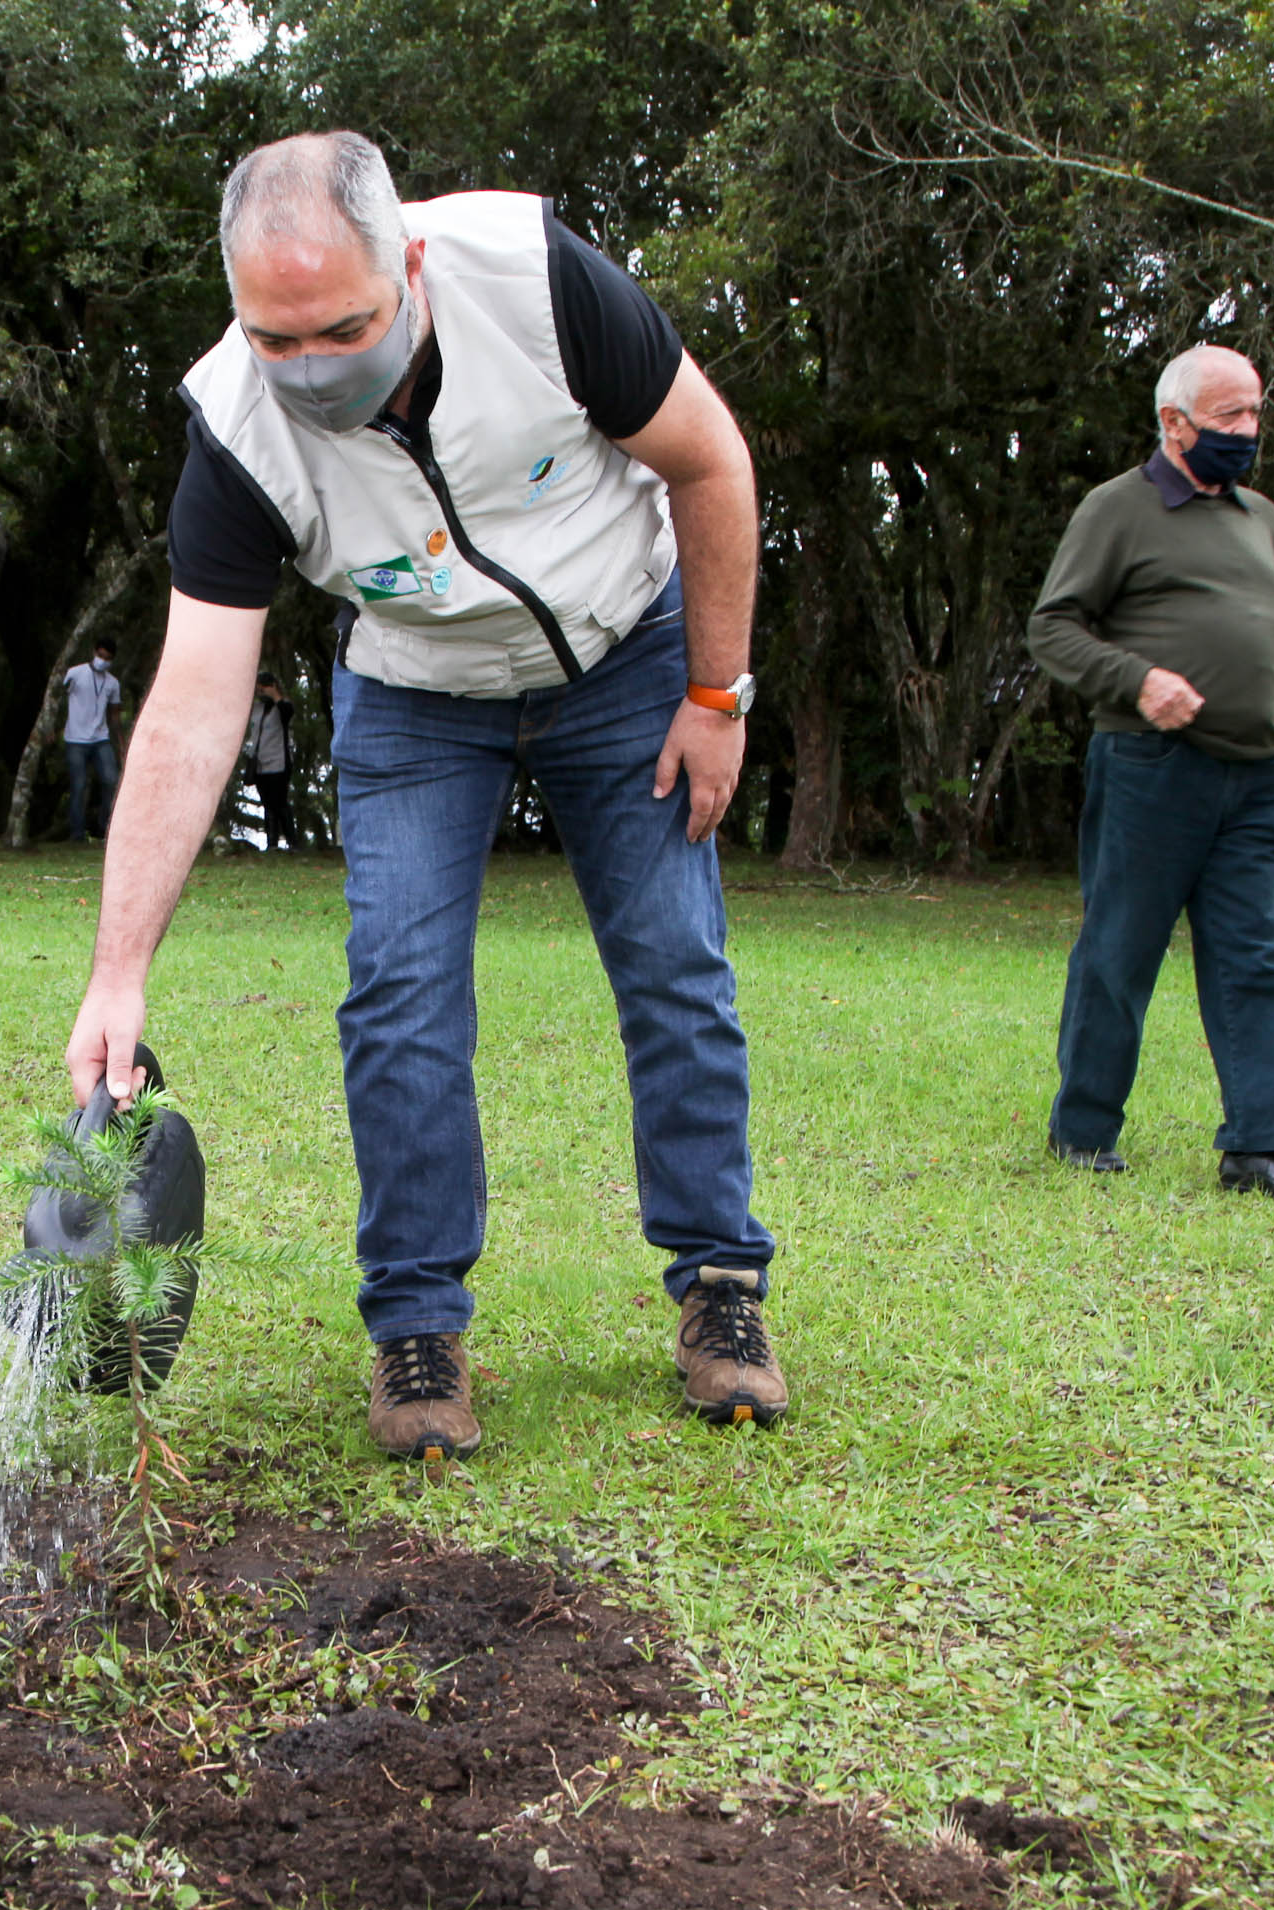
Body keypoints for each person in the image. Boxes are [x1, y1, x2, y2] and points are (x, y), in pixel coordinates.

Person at [63, 132, 782, 1462]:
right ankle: (416, 1327)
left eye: (341, 326)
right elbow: (195, 701)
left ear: (408, 263)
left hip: (628, 654)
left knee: (676, 965)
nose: (311, 365)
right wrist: (119, 974)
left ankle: (722, 1287)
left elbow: (713, 464)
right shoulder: (233, 426)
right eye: (276, 339)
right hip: (412, 690)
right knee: (397, 987)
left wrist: (717, 694)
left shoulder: (540, 283)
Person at [1028, 341, 1274, 1202]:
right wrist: (1139, 681)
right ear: (1175, 424)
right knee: (1119, 951)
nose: (1248, 431)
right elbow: (1053, 628)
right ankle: (1084, 1132)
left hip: (1259, 775)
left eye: (1256, 415)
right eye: (1230, 417)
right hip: (1151, 767)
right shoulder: (1117, 510)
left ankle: (1262, 1149)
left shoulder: (1261, 517)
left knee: (1254, 958)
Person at [63, 641, 124, 841]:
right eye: (100, 655)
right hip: (75, 739)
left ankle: (105, 827)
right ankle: (77, 834)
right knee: (78, 786)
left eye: (107, 658)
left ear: (112, 661)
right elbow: (57, 698)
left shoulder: (113, 683)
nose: (102, 661)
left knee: (111, 780)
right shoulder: (75, 673)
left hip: (101, 738)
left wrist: (121, 743)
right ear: (94, 652)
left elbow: (115, 715)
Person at [239, 670, 297, 850]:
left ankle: (292, 842)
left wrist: (276, 696)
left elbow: (287, 714)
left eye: (264, 688)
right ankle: (271, 844)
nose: (261, 692)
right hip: (260, 763)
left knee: (280, 803)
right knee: (267, 804)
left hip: (279, 762)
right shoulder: (256, 708)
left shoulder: (284, 706)